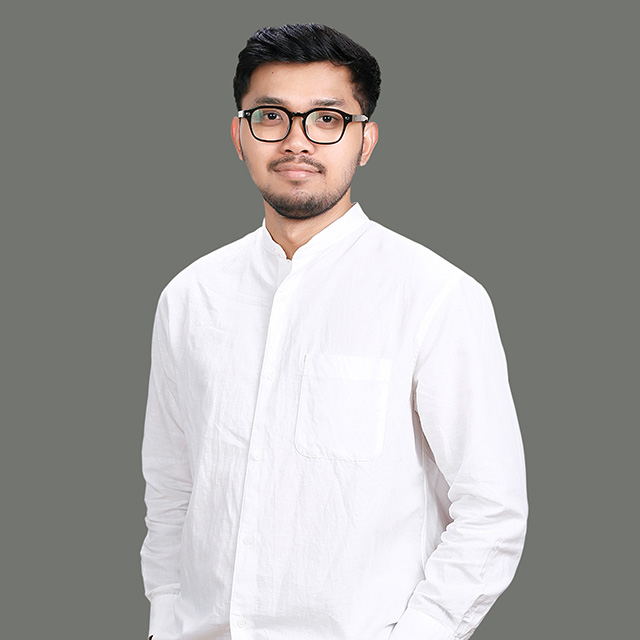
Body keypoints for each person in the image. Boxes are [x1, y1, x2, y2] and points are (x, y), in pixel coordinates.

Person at [140, 23, 528, 640]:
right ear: (239, 135)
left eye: (327, 119)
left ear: (365, 140)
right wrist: (165, 619)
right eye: (271, 117)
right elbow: (171, 492)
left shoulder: (435, 296)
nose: (297, 141)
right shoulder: (190, 298)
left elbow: (492, 508)